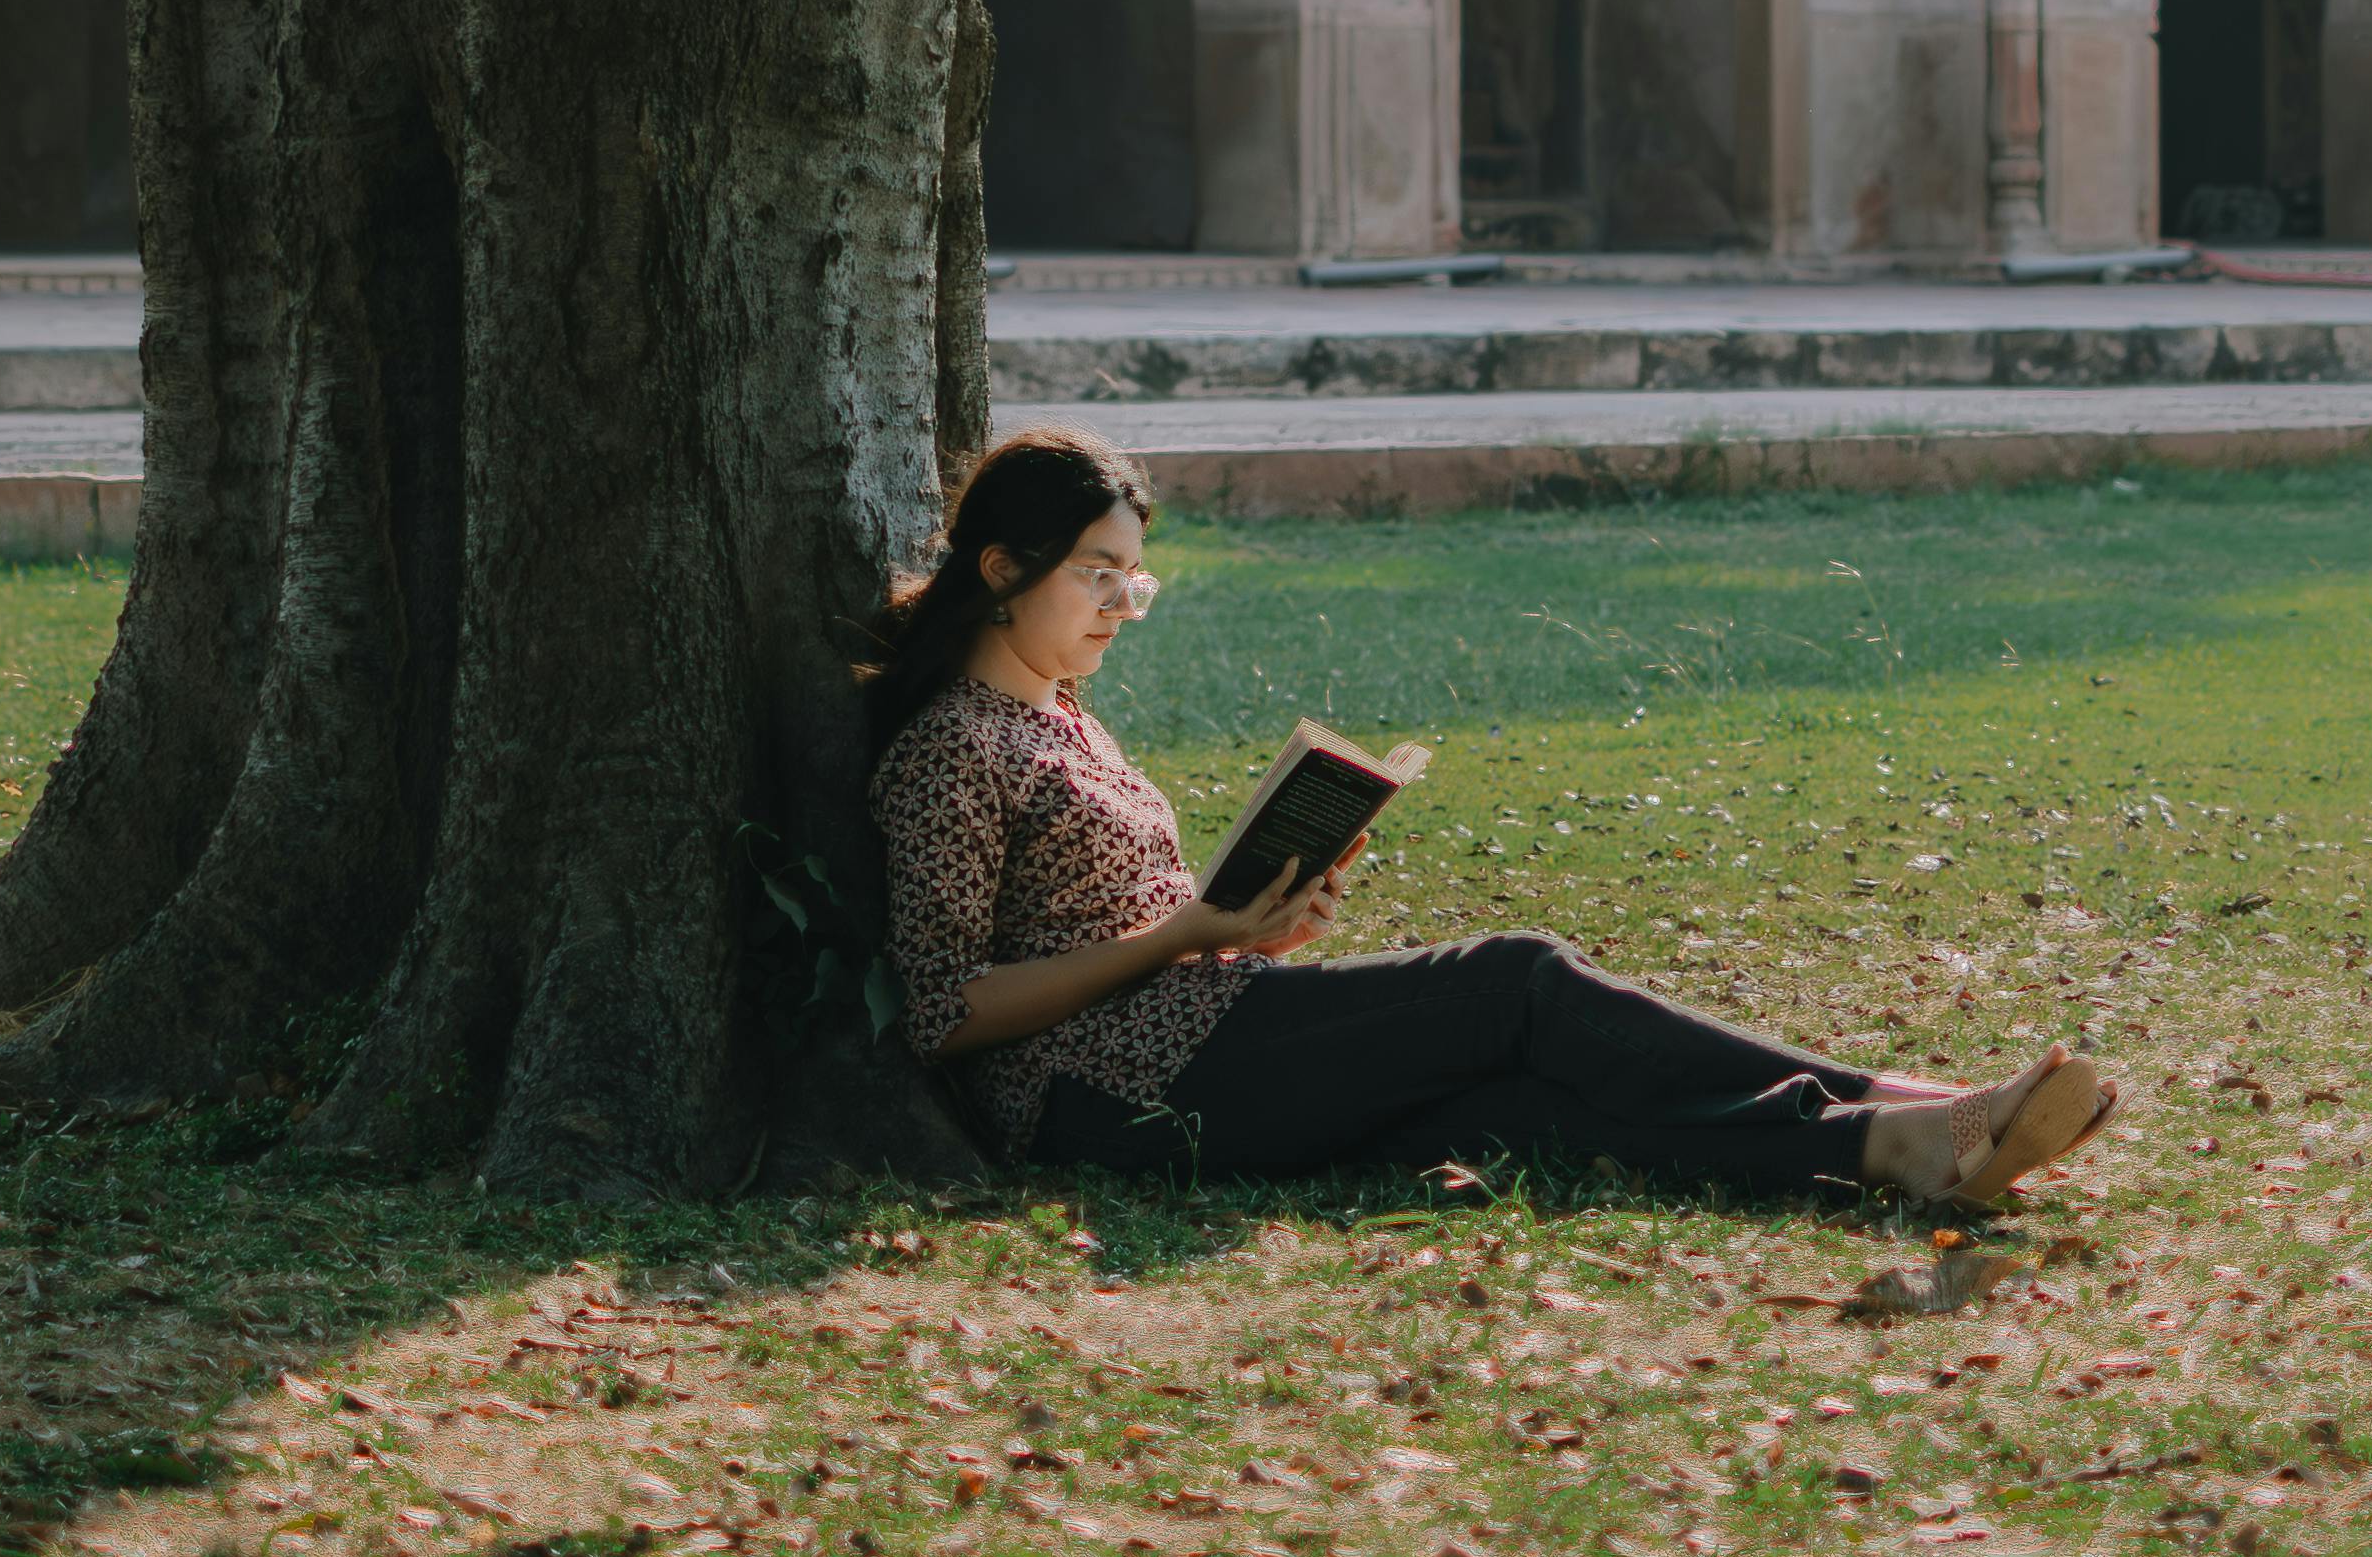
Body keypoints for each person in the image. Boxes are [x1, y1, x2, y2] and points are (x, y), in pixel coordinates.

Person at [865, 429, 2117, 1211]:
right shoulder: (950, 747)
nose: (1119, 605)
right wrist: (1185, 933)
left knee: (1510, 1104)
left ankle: (1879, 1149)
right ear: (999, 569)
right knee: (1511, 981)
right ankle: (1926, 1102)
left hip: (1190, 1032)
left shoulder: (1067, 719)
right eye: (1097, 574)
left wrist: (1237, 930)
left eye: (1132, 580)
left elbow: (1141, 927)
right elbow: (944, 1012)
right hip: (1092, 1089)